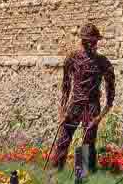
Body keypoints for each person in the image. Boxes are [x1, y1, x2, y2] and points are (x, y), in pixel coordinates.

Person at [48, 23, 115, 171]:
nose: (90, 44)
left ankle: (83, 177)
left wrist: (99, 117)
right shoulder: (72, 59)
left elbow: (110, 96)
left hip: (91, 107)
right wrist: (62, 111)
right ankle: (54, 173)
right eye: (87, 41)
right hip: (75, 105)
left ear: (97, 41)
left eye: (93, 41)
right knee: (63, 138)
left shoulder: (103, 62)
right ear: (82, 41)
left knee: (87, 142)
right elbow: (66, 87)